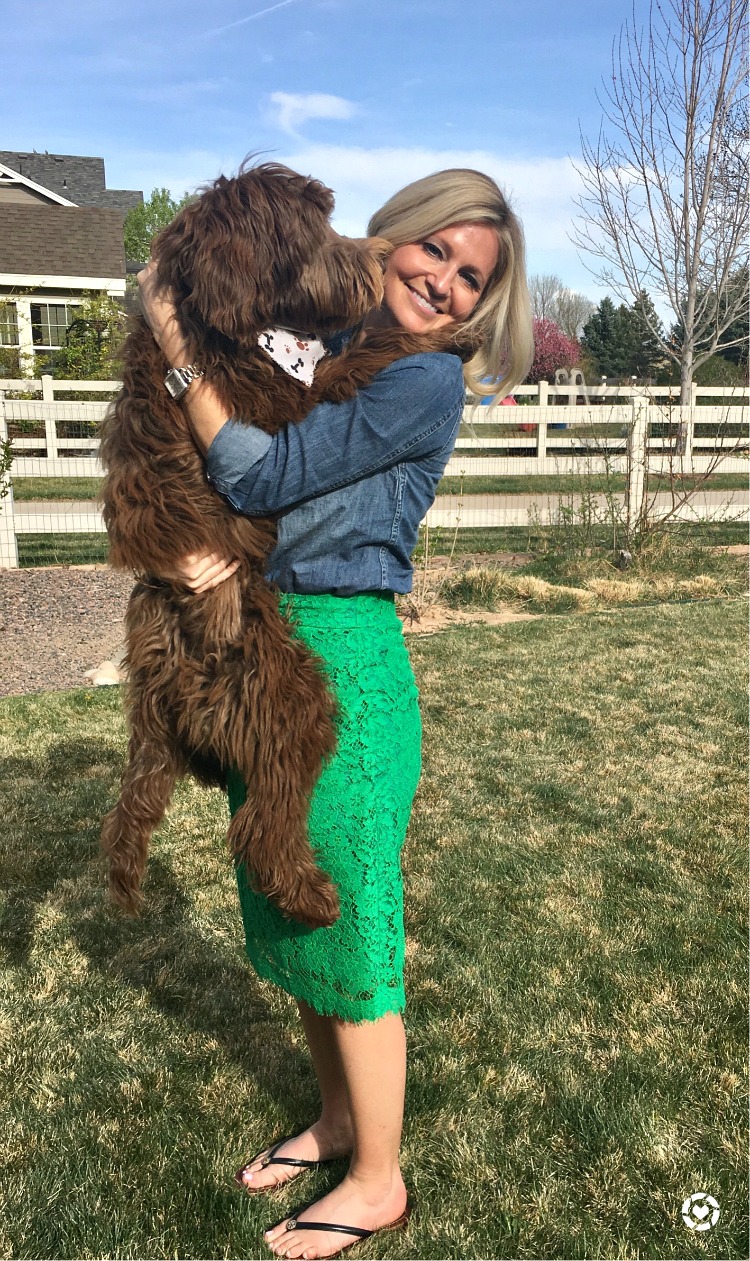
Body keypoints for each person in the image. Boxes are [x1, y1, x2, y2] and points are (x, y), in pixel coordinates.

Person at [138, 167, 533, 1261]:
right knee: (290, 898)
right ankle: (341, 1117)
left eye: (472, 277)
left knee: (351, 918)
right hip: (270, 650)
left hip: (348, 667)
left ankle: (377, 1180)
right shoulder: (326, 339)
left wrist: (174, 349)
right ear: (396, 235)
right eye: (437, 252)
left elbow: (263, 475)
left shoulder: (426, 384)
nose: (447, 284)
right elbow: (233, 456)